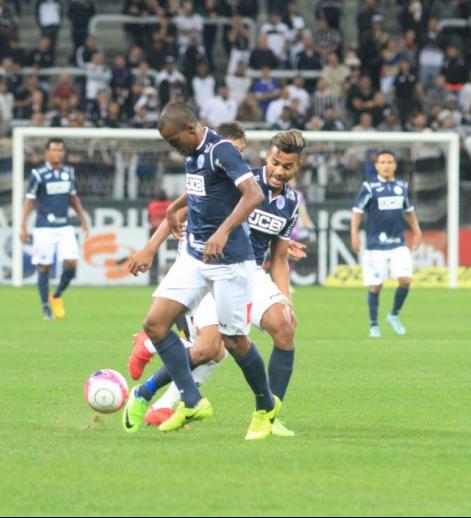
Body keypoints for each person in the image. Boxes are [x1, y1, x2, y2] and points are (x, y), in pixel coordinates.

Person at [128, 126, 307, 437]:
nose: (279, 171)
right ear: (267, 156)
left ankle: (269, 416)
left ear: (298, 167)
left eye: (287, 166)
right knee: (209, 349)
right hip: (213, 268)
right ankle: (145, 393)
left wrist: (286, 299)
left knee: (284, 328)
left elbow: (278, 257)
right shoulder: (238, 177)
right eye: (276, 162)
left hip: (248, 271)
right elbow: (181, 212)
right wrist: (151, 247)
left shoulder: (290, 204)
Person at [350, 150, 422, 338]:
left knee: (406, 279)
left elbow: (408, 211)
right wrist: (354, 234)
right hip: (375, 247)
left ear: (395, 165)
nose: (386, 165)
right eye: (382, 162)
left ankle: (394, 315)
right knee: (375, 286)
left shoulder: (402, 187)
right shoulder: (369, 187)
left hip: (398, 243)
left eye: (390, 162)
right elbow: (357, 212)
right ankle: (374, 325)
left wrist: (417, 230)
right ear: (377, 166)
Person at [20, 138, 89, 320]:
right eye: (54, 150)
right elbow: (29, 201)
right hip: (44, 228)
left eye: (60, 150)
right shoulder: (38, 174)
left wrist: (83, 219)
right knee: (44, 266)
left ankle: (56, 295)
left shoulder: (69, 172)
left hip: (64, 226)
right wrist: (22, 226)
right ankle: (45, 308)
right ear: (47, 152)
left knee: (72, 262)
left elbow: (73, 198)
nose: (58, 153)